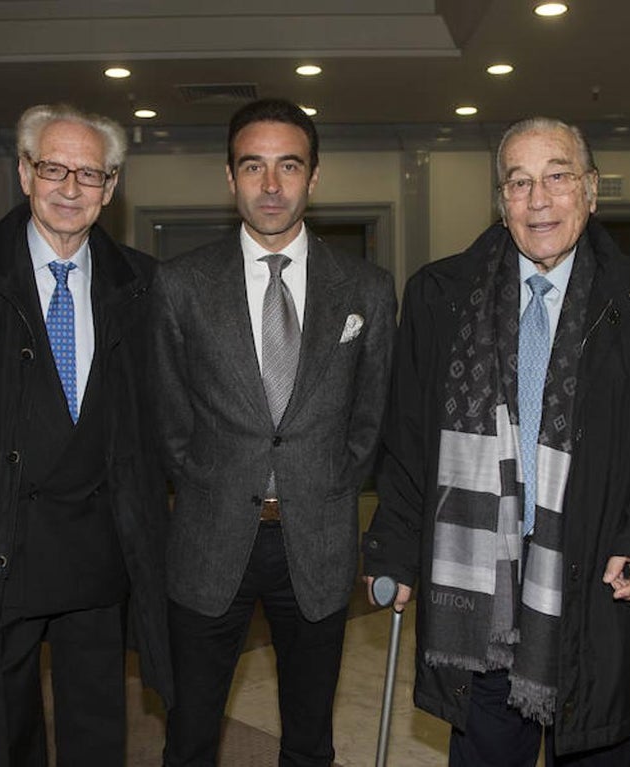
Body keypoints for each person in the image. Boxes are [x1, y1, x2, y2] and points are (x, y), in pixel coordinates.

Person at [362, 116, 630, 766]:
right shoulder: (439, 298)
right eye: (519, 182)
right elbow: (409, 445)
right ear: (501, 200)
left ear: (591, 189)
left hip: (598, 593)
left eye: (557, 177)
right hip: (480, 596)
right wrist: (393, 547)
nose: (539, 200)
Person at [0, 103, 171, 766]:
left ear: (110, 187)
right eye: (53, 169)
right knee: (0, 733)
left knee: (97, 730)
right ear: (23, 173)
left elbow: (154, 422)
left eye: (89, 173)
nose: (70, 188)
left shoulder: (143, 283)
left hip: (99, 551)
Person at [152, 97, 397, 766]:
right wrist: (212, 482)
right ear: (229, 177)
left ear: (313, 176)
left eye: (288, 166)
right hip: (209, 539)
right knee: (190, 734)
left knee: (310, 738)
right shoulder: (180, 285)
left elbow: (371, 416)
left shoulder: (367, 289)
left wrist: (325, 481)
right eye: (252, 166)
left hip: (317, 539)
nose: (270, 185)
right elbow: (170, 420)